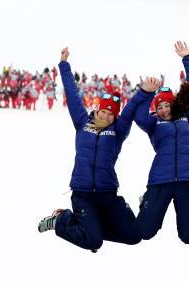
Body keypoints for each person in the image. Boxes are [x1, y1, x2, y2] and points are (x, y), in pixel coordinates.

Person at [37, 47, 150, 251]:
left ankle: (90, 227)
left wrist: (144, 93)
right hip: (83, 194)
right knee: (93, 241)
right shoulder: (82, 123)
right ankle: (61, 220)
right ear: (98, 110)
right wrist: (64, 65)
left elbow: (131, 109)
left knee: (134, 235)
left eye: (111, 114)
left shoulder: (118, 130)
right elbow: (72, 95)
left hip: (108, 194)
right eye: (104, 111)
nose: (107, 117)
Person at [132, 41, 189, 244]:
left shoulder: (188, 116)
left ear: (175, 105)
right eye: (160, 106)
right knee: (144, 231)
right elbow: (138, 116)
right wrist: (146, 93)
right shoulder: (153, 124)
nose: (165, 109)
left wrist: (188, 58)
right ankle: (147, 201)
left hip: (188, 178)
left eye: (168, 105)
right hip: (160, 179)